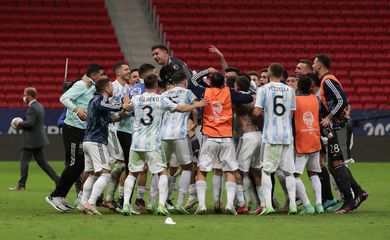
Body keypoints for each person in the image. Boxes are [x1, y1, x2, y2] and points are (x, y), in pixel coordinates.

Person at [121, 74, 206, 216]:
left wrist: (124, 104)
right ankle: (164, 204)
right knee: (164, 171)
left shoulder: (136, 99)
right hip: (156, 142)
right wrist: (195, 105)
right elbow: (180, 108)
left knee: (132, 173)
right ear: (156, 86)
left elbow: (125, 110)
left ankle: (128, 204)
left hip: (137, 142)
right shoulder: (161, 99)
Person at [191, 70, 253, 215]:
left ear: (211, 82)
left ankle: (201, 205)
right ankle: (230, 204)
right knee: (230, 170)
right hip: (226, 138)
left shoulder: (204, 92)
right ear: (223, 82)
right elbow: (249, 98)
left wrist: (207, 71)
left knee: (202, 170)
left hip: (209, 137)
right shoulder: (229, 93)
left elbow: (193, 81)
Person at [46, 64, 107, 212]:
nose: (103, 77)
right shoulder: (82, 85)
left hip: (81, 130)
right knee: (74, 164)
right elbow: (64, 97)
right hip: (72, 129)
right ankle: (55, 196)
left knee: (79, 165)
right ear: (93, 75)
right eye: (101, 74)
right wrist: (76, 109)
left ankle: (61, 196)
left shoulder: (89, 85)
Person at [313, 54, 368, 213]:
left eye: (315, 62)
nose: (313, 64)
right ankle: (358, 192)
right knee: (333, 163)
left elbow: (342, 100)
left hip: (339, 125)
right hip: (337, 125)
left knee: (336, 162)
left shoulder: (328, 79)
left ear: (320, 65)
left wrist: (329, 117)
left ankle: (349, 201)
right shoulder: (326, 80)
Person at [77, 78, 131, 215]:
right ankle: (91, 203)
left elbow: (107, 119)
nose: (113, 89)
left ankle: (83, 203)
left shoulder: (95, 101)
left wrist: (121, 116)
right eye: (111, 87)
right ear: (106, 88)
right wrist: (122, 105)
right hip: (97, 141)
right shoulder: (100, 98)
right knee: (106, 174)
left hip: (88, 141)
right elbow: (104, 105)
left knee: (94, 174)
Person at [253, 63, 297, 215]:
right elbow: (291, 113)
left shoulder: (263, 89)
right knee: (289, 172)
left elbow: (257, 112)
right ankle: (293, 205)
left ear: (270, 73)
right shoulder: (290, 90)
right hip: (287, 136)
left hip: (271, 136)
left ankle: (268, 206)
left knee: (266, 171)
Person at [160, 71, 199, 214]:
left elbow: (161, 113)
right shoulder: (188, 93)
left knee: (160, 168)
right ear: (185, 81)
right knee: (187, 167)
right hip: (180, 134)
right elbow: (196, 107)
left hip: (164, 135)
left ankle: (157, 202)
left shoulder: (164, 94)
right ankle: (180, 202)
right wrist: (194, 123)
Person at [9, 87, 59, 191]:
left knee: (24, 161)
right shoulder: (39, 105)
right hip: (38, 139)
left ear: (30, 96)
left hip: (31, 141)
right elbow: (34, 122)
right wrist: (23, 121)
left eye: (25, 95)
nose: (23, 97)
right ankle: (58, 180)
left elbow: (30, 124)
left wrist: (19, 123)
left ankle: (21, 185)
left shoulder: (32, 108)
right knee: (42, 162)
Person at [233, 76, 265, 215]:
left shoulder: (238, 99)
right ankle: (263, 203)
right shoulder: (256, 97)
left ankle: (242, 203)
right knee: (256, 170)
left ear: (237, 87)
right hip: (260, 135)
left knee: (238, 171)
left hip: (248, 136)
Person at [293, 75, 324, 214]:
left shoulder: (295, 100)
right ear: (310, 87)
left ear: (298, 87)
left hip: (302, 141)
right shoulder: (315, 99)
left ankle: (307, 205)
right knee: (314, 173)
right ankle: (319, 204)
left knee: (295, 175)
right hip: (315, 139)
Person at [103, 62, 132, 211]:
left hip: (123, 129)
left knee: (121, 165)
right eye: (126, 69)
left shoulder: (127, 88)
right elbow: (111, 109)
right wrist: (123, 109)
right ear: (118, 72)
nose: (128, 71)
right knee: (120, 165)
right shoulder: (112, 87)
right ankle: (107, 198)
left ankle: (109, 198)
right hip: (113, 129)